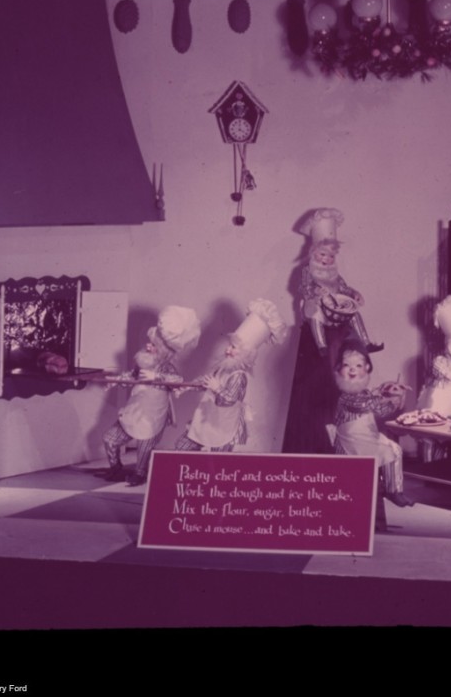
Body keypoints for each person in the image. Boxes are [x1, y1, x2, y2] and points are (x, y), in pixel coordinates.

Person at [100, 306, 200, 486]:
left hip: (153, 415)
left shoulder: (167, 367)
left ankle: (140, 473)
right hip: (133, 412)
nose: (147, 346)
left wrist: (157, 377)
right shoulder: (142, 363)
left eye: (153, 345)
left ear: (162, 350)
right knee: (110, 439)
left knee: (144, 447)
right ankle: (116, 469)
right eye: (149, 343)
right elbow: (131, 376)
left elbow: (177, 380)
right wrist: (115, 381)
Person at [176, 299, 287, 453]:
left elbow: (229, 400)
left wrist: (217, 388)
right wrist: (187, 387)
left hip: (224, 426)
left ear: (245, 354)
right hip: (207, 419)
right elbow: (205, 382)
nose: (228, 350)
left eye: (233, 348)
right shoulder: (223, 367)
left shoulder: (239, 376)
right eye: (230, 345)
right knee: (182, 447)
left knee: (217, 460)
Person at [332, 340, 414, 507]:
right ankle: (385, 491)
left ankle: (394, 490)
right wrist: (389, 396)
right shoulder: (345, 397)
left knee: (395, 449)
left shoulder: (365, 393)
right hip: (349, 443)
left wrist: (393, 396)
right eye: (347, 365)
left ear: (367, 368)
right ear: (339, 369)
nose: (353, 370)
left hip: (367, 437)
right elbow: (367, 405)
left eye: (358, 365)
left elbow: (379, 408)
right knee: (387, 451)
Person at [298, 208, 381, 354]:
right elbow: (304, 287)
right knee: (316, 316)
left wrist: (354, 293)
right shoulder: (308, 270)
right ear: (313, 253)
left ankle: (366, 343)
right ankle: (322, 346)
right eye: (322, 254)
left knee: (354, 314)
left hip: (334, 309)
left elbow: (343, 288)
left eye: (331, 256)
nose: (326, 259)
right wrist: (315, 291)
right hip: (317, 305)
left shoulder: (334, 273)